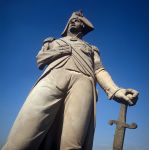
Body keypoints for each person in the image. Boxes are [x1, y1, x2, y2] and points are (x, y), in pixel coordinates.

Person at [2, 11, 139, 150]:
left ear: (83, 26)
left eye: (77, 20)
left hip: (83, 83)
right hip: (53, 78)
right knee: (22, 137)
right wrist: (59, 51)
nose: (73, 22)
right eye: (71, 20)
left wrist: (116, 90)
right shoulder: (54, 42)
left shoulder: (91, 49)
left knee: (72, 144)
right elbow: (40, 60)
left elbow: (99, 70)